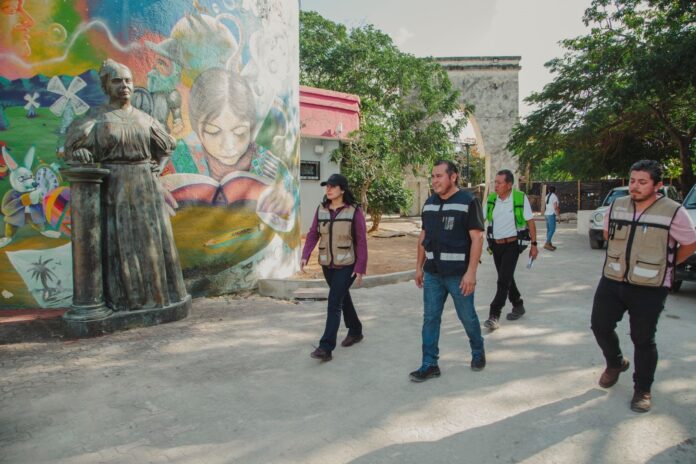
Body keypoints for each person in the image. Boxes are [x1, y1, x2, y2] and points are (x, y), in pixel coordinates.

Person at [65, 59, 189, 311]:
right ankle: (124, 301)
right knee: (120, 242)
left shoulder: (145, 119)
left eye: (128, 80)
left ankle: (157, 299)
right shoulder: (96, 118)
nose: (124, 86)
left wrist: (157, 164)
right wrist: (80, 154)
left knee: (151, 241)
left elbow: (168, 145)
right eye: (117, 80)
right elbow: (72, 147)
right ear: (106, 86)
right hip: (115, 185)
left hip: (146, 185)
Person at [591, 160, 696, 413]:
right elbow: (608, 235)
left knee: (643, 339)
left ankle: (643, 389)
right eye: (632, 181)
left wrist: (666, 264)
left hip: (650, 286)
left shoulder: (673, 211)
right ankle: (615, 363)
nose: (635, 187)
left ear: (657, 185)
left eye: (642, 182)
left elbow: (690, 243)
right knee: (600, 325)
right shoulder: (617, 205)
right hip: (613, 279)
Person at [410, 160, 486, 382]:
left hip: (458, 275)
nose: (434, 181)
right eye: (432, 176)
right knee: (430, 318)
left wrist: (471, 273)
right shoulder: (429, 203)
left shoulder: (468, 201)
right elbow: (423, 236)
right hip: (433, 273)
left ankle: (478, 351)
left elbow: (477, 238)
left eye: (439, 176)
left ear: (453, 177)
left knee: (467, 317)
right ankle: (429, 364)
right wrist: (418, 267)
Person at [301, 174, 368, 362]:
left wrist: (361, 266)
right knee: (342, 297)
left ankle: (326, 347)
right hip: (327, 263)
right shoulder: (321, 209)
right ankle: (355, 330)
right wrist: (305, 254)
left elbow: (361, 241)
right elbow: (313, 234)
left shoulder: (354, 212)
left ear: (343, 190)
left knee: (334, 302)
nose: (328, 189)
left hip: (348, 264)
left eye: (332, 186)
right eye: (327, 186)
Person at [483, 169, 538, 330]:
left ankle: (494, 315)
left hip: (513, 245)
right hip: (496, 245)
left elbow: (530, 222)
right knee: (506, 278)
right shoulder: (492, 199)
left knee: (502, 281)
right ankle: (518, 304)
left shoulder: (519, 198)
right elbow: (480, 218)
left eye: (499, 183)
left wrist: (534, 245)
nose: (496, 186)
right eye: (495, 182)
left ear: (509, 185)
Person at [543, 186, 560, 250]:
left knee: (549, 230)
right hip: (551, 214)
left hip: (546, 214)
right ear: (555, 190)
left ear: (548, 190)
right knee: (552, 229)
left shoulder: (546, 196)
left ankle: (549, 243)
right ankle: (547, 244)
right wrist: (558, 216)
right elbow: (555, 207)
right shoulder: (554, 196)